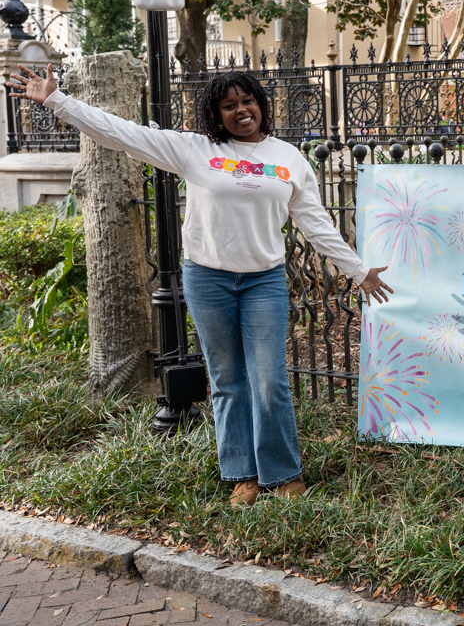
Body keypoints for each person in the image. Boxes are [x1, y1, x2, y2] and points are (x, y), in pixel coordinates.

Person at [5, 65, 393, 507]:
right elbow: (121, 133)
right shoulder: (195, 149)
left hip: (263, 280)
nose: (241, 111)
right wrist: (57, 100)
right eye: (229, 105)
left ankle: (283, 472)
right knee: (227, 379)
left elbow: (315, 223)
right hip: (208, 278)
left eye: (247, 101)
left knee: (269, 379)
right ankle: (242, 473)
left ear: (261, 105)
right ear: (216, 113)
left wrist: (357, 270)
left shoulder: (288, 158)